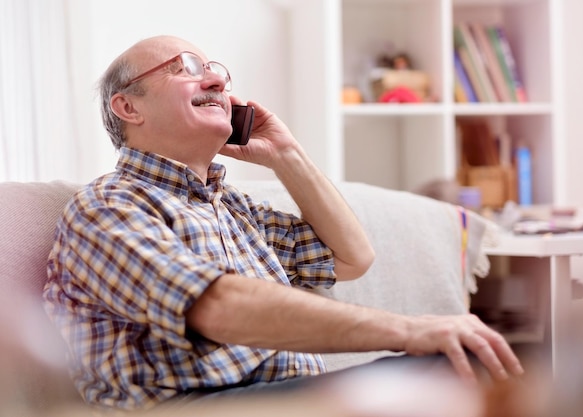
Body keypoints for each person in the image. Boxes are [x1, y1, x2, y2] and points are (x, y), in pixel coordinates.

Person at [42, 35, 523, 412]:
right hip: (190, 406)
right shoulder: (107, 207)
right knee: (445, 370)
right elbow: (215, 306)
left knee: (459, 366)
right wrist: (408, 330)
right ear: (128, 107)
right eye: (186, 68)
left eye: (215, 71)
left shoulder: (232, 207)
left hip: (283, 395)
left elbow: (352, 257)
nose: (214, 81)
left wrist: (286, 155)